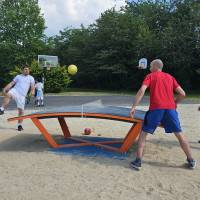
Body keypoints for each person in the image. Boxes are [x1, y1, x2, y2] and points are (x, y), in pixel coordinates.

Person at [129, 59, 196, 170]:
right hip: (170, 110)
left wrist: (133, 107)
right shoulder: (170, 77)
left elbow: (142, 90)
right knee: (179, 134)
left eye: (150, 65)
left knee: (143, 133)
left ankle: (138, 161)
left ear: (155, 66)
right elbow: (182, 93)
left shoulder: (150, 76)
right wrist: (175, 103)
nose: (149, 67)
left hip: (156, 109)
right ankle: (191, 160)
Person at [0, 65, 35, 131]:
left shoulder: (31, 78)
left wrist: (31, 94)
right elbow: (11, 83)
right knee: (8, 95)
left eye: (28, 69)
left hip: (22, 96)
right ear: (22, 70)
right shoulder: (18, 76)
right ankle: (1, 109)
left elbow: (32, 87)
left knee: (21, 111)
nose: (27, 70)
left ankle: (19, 125)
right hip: (15, 91)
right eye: (25, 69)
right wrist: (5, 89)